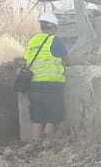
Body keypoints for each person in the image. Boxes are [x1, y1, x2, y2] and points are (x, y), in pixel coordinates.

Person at [21, 12, 69, 141]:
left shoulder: (33, 41)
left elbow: (27, 59)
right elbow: (67, 60)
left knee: (37, 116)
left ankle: (35, 142)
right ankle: (47, 143)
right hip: (52, 84)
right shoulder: (55, 40)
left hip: (34, 84)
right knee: (54, 116)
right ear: (53, 27)